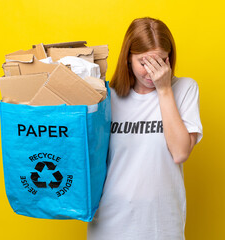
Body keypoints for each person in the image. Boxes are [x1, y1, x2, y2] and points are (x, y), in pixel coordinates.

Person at [87, 17, 203, 240]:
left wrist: (164, 89)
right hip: (111, 223)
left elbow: (180, 152)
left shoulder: (185, 89)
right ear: (128, 58)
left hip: (162, 224)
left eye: (160, 62)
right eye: (144, 62)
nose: (152, 72)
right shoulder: (107, 96)